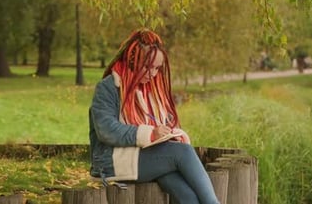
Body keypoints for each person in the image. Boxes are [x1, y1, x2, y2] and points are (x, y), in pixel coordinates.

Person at [88, 28, 220, 204]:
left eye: (157, 68)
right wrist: (149, 134)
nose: (153, 74)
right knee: (183, 153)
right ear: (133, 60)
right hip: (110, 162)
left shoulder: (149, 90)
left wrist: (169, 135)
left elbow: (161, 122)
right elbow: (106, 130)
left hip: (143, 156)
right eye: (148, 67)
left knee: (188, 197)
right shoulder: (108, 87)